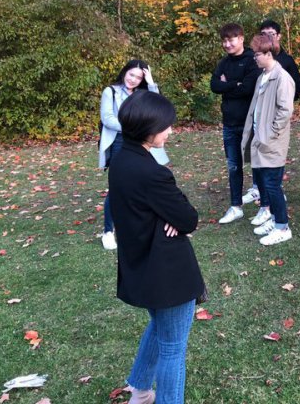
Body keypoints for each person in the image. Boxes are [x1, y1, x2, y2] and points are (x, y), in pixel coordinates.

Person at [109, 91, 206, 404]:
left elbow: (148, 209)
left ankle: (139, 391)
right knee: (173, 348)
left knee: (160, 328)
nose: (170, 131)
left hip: (142, 265)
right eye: (166, 126)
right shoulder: (152, 173)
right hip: (167, 273)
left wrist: (167, 215)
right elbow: (189, 218)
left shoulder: (121, 158)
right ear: (147, 129)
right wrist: (172, 216)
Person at [98, 59, 168, 250]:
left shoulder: (142, 93)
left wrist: (151, 83)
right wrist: (134, 128)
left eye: (138, 77)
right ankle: (108, 231)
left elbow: (157, 107)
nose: (133, 80)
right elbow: (107, 118)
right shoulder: (110, 91)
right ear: (124, 72)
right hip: (120, 141)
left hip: (143, 141)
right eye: (131, 74)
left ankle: (150, 220)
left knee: (148, 179)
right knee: (118, 186)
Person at [241, 20, 300, 214]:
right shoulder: (262, 76)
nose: (254, 58)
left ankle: (281, 225)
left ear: (268, 54)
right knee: (264, 182)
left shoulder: (282, 77)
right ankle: (269, 215)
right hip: (260, 136)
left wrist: (270, 133)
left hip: (271, 139)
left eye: (257, 54)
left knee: (273, 185)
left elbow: (285, 110)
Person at [210, 23, 260, 225]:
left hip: (250, 123)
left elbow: (248, 88)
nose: (227, 44)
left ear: (241, 38)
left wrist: (227, 85)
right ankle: (236, 206)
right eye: (224, 41)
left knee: (258, 164)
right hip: (229, 124)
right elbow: (214, 85)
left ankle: (265, 205)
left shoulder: (251, 60)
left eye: (231, 40)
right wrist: (234, 84)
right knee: (233, 166)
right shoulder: (224, 62)